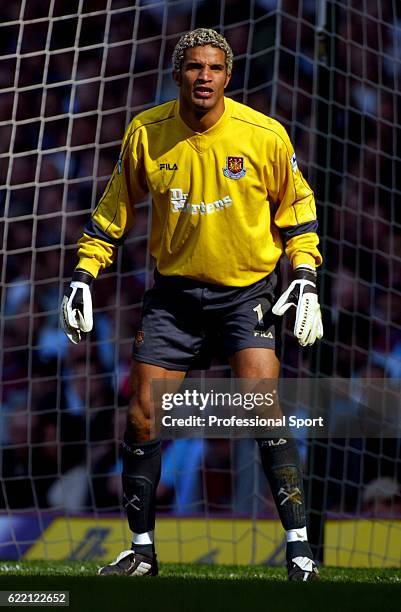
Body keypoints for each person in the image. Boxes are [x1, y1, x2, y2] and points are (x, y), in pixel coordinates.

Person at [60, 28, 323, 581]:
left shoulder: (263, 135)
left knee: (261, 403)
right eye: (194, 67)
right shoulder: (147, 133)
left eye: (214, 68)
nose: (204, 76)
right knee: (141, 415)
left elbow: (299, 213)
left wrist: (304, 277)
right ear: (177, 74)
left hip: (245, 292)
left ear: (229, 76)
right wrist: (84, 274)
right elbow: (112, 212)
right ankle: (141, 550)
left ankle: (300, 548)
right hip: (175, 298)